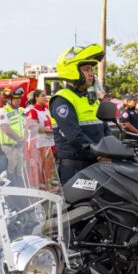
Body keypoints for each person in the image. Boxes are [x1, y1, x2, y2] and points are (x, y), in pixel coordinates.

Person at [49, 44, 111, 184]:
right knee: (78, 206)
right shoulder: (62, 99)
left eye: (91, 70)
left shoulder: (90, 98)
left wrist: (113, 149)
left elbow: (104, 127)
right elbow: (74, 135)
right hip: (74, 169)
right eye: (86, 69)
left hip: (95, 164)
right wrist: (99, 154)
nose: (91, 74)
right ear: (72, 71)